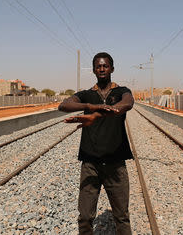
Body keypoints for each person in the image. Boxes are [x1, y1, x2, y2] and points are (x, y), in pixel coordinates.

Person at [58, 52, 134, 235]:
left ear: (112, 69)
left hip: (116, 164)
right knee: (84, 216)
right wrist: (91, 107)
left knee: (122, 216)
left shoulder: (121, 91)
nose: (102, 69)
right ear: (93, 70)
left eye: (105, 66)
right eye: (98, 66)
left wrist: (101, 113)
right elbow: (64, 105)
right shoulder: (86, 95)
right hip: (90, 164)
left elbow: (127, 103)